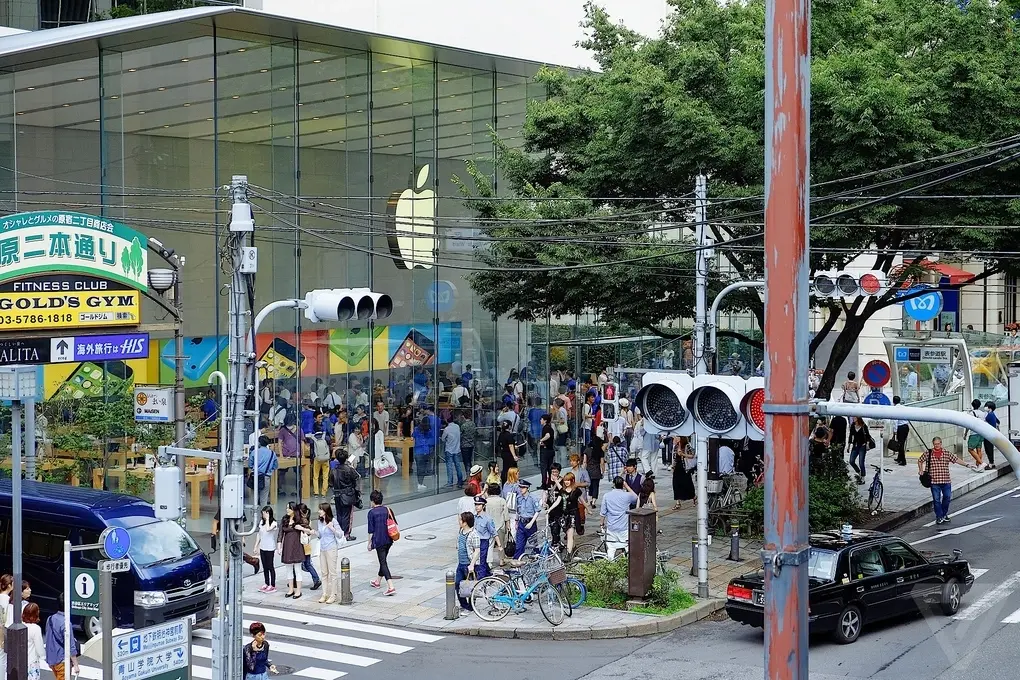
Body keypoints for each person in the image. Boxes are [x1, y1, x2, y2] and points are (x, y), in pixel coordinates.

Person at [919, 436, 976, 525]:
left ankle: (944, 514)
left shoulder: (946, 453)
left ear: (941, 444)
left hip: (945, 480)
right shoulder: (928, 453)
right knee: (936, 500)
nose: (936, 445)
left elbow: (956, 459)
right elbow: (920, 460)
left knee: (947, 497)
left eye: (938, 444)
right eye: (935, 444)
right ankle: (939, 516)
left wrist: (967, 465)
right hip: (934, 481)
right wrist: (921, 470)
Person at [311, 502, 344, 604]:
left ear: (326, 511)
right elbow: (320, 535)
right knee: (324, 573)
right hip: (322, 549)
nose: (319, 511)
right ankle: (324, 594)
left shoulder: (333, 521)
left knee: (332, 572)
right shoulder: (320, 521)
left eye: (321, 509)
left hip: (331, 548)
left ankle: (333, 594)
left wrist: (332, 528)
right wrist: (314, 532)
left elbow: (340, 534)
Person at [366, 490, 397, 595]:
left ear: (373, 501)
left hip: (379, 541)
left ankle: (391, 586)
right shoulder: (387, 509)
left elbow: (371, 530)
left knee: (383, 562)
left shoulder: (371, 513)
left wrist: (369, 543)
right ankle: (377, 581)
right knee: (383, 561)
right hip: (389, 539)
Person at [600, 477, 637, 558]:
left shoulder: (606, 496)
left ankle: (610, 565)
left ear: (613, 484)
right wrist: (627, 486)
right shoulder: (627, 496)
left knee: (611, 548)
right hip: (624, 527)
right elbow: (635, 497)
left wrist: (601, 524)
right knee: (627, 547)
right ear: (623, 485)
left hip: (611, 527)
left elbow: (603, 513)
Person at [44, 596, 79, 679]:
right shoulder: (66, 623)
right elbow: (71, 645)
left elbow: (48, 638)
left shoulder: (50, 619)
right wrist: (76, 664)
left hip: (52, 660)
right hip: (62, 660)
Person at [279, 502, 307, 599]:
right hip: (287, 546)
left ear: (294, 510)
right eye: (287, 508)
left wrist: (301, 528)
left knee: (298, 569)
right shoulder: (284, 519)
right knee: (288, 569)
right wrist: (279, 545)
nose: (287, 510)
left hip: (297, 546)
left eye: (289, 508)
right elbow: (280, 532)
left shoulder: (299, 520)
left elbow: (309, 530)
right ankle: (291, 589)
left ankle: (298, 590)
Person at [330, 451, 361, 541]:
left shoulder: (333, 470)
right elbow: (357, 478)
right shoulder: (349, 469)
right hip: (348, 494)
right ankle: (346, 534)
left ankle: (339, 533)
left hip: (337, 495)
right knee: (347, 515)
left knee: (339, 514)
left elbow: (330, 483)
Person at [455, 512, 481, 611]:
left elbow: (477, 550)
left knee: (471, 586)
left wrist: (472, 564)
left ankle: (471, 606)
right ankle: (464, 604)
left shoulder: (474, 534)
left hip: (468, 564)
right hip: (461, 563)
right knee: (457, 584)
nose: (459, 521)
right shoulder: (461, 531)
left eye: (461, 520)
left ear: (465, 522)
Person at [471, 496, 500, 578]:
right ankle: (488, 573)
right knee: (476, 559)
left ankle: (481, 579)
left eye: (479, 505)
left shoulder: (488, 519)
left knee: (482, 560)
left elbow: (494, 532)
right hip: (475, 541)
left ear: (483, 506)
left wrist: (499, 545)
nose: (477, 507)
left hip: (483, 541)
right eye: (476, 505)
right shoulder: (474, 517)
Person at [513, 480, 540, 559]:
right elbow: (518, 511)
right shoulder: (519, 498)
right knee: (519, 545)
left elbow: (537, 511)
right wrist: (516, 521)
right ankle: (517, 563)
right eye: (520, 487)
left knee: (534, 545)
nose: (521, 489)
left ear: (527, 488)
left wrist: (531, 522)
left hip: (530, 523)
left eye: (523, 487)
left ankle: (537, 560)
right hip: (521, 523)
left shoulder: (532, 498)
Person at [248, 435, 278, 507]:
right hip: (266, 477)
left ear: (259, 443)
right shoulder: (272, 453)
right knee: (264, 498)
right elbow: (275, 465)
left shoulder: (254, 452)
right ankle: (264, 515)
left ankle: (253, 514)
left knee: (253, 496)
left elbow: (250, 465)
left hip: (255, 476)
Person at [254, 505, 279, 593]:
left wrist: (268, 519)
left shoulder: (274, 523)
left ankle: (272, 585)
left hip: (270, 548)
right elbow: (259, 534)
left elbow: (268, 529)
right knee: (264, 566)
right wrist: (256, 545)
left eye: (264, 513)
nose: (263, 515)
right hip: (262, 547)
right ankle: (266, 582)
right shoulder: (261, 522)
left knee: (270, 566)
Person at [484, 482, 510, 564]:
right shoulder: (502, 500)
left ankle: (489, 561)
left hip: (489, 526)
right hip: (500, 525)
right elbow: (506, 515)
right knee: (501, 544)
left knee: (489, 545)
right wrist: (508, 525)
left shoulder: (486, 501)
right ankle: (501, 560)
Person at [412, 414, 436, 491]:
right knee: (423, 468)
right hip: (425, 451)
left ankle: (420, 483)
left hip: (417, 451)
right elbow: (432, 441)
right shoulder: (429, 431)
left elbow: (413, 437)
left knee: (419, 468)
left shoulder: (416, 429)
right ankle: (420, 483)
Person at [586, 424, 606, 509]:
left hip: (588, 470)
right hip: (597, 470)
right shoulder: (600, 451)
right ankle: (594, 501)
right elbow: (602, 463)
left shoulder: (587, 450)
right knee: (596, 486)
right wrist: (603, 471)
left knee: (589, 486)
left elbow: (584, 462)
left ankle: (589, 499)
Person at [672, 435, 695, 510]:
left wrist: (683, 454)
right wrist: (673, 466)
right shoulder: (675, 446)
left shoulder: (687, 446)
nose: (675, 438)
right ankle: (677, 502)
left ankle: (693, 496)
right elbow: (674, 457)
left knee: (687, 483)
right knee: (675, 484)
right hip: (677, 467)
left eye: (677, 437)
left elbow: (692, 455)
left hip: (685, 467)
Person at [23, 602, 44, 680]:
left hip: (20, 660)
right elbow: (39, 647)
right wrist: (43, 656)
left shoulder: (20, 625)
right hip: (31, 660)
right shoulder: (36, 628)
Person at [441, 415, 464, 488]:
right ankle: (460, 481)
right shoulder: (457, 426)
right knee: (458, 466)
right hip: (457, 449)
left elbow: (443, 439)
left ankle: (450, 482)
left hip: (449, 449)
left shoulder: (447, 429)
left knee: (449, 466)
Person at [848, 416, 871, 483]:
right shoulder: (853, 425)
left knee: (861, 462)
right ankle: (859, 472)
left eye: (855, 418)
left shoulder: (863, 426)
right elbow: (850, 435)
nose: (853, 419)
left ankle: (863, 477)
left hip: (862, 446)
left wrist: (867, 444)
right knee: (851, 461)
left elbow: (868, 436)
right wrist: (849, 446)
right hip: (855, 446)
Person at [497, 420, 519, 485]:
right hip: (509, 455)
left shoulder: (501, 434)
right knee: (511, 469)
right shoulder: (509, 435)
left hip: (504, 453)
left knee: (505, 468)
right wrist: (514, 456)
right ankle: (511, 482)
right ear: (509, 426)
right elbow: (510, 445)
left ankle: (504, 483)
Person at [538, 413, 555, 487]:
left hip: (545, 451)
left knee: (544, 467)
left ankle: (544, 483)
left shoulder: (546, 428)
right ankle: (550, 482)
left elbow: (548, 435)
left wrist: (541, 440)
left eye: (541, 419)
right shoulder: (550, 428)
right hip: (550, 450)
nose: (540, 420)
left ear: (545, 420)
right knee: (549, 467)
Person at [983, 401, 1000, 471]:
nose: (985, 407)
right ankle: (992, 463)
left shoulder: (989, 415)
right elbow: (998, 422)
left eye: (986, 406)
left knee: (988, 448)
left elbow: (984, 422)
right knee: (990, 448)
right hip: (992, 434)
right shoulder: (992, 414)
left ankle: (990, 463)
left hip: (988, 434)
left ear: (989, 408)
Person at [893, 396, 909, 466]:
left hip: (900, 428)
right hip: (906, 427)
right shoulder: (904, 407)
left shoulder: (895, 409)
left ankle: (903, 461)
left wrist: (895, 430)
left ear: (893, 402)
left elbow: (895, 421)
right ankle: (899, 458)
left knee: (900, 444)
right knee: (902, 443)